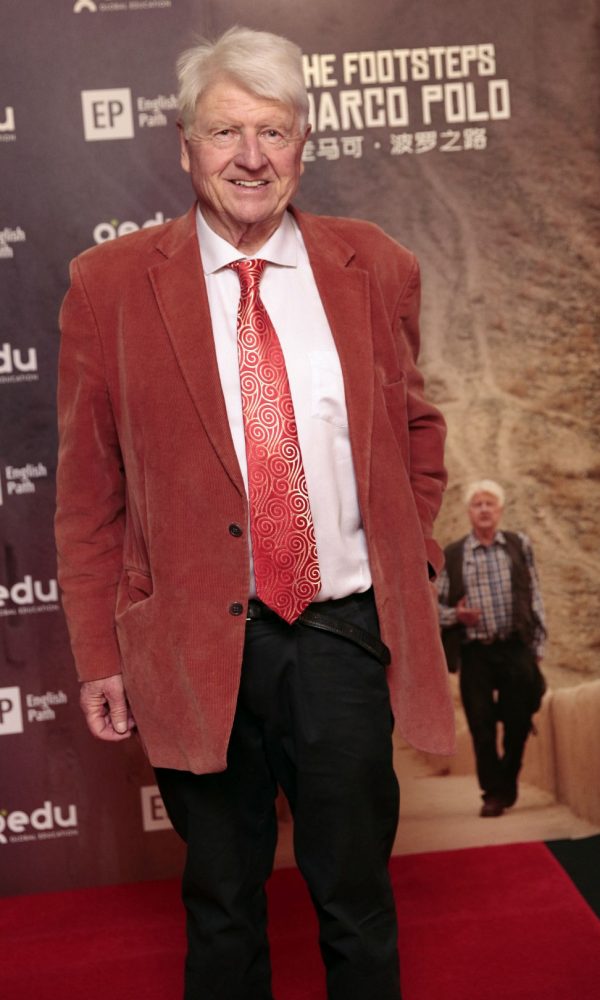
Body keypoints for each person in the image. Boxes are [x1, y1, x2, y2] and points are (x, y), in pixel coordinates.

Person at [55, 26, 454, 1000]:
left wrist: (407, 556)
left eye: (272, 132)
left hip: (340, 636)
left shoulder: (376, 265)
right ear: (185, 143)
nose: (250, 157)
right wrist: (101, 654)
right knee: (223, 908)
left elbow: (419, 429)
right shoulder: (107, 287)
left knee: (357, 903)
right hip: (193, 645)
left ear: (303, 145)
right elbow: (87, 495)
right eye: (226, 130)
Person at [437, 480, 547, 818]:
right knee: (481, 725)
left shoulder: (518, 545)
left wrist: (538, 643)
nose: (484, 509)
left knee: (517, 722)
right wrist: (458, 614)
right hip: (476, 653)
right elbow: (433, 608)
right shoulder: (453, 555)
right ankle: (492, 794)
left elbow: (535, 594)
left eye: (490, 503)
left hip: (515, 647)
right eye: (477, 504)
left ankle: (507, 782)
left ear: (499, 510)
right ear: (469, 512)